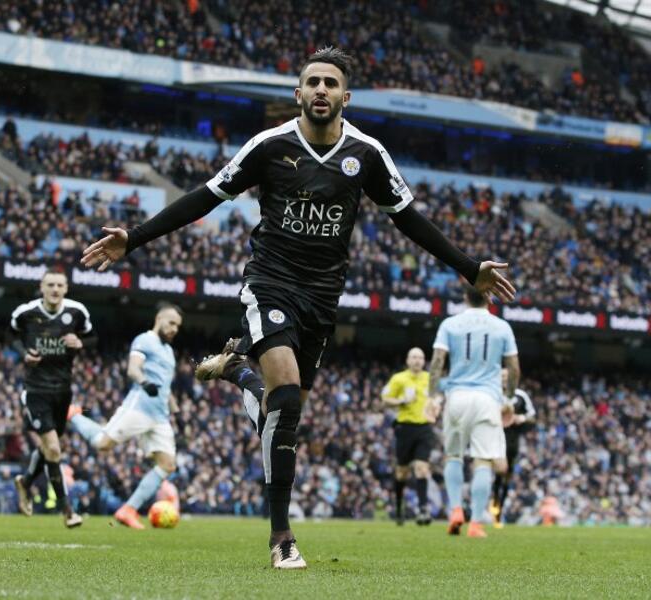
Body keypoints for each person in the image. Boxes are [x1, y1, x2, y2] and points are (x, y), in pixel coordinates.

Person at [80, 47, 515, 568]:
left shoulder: (368, 154)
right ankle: (281, 536)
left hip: (322, 298)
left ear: (345, 96)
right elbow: (206, 196)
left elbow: (409, 219)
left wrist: (470, 268)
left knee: (283, 412)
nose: (322, 90)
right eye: (313, 82)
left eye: (331, 83)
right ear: (299, 93)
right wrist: (135, 237)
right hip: (269, 284)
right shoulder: (269, 146)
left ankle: (241, 374)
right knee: (285, 398)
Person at [67, 304, 182, 530]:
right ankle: (74, 415)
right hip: (139, 406)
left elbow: (166, 387)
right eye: (171, 322)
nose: (174, 328)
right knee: (103, 444)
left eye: (177, 325)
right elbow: (133, 369)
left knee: (167, 465)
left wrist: (176, 411)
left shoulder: (169, 352)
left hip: (160, 416)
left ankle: (128, 510)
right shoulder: (144, 340)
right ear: (158, 318)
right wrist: (144, 382)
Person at [428, 287, 521, 538]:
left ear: (464, 297)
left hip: (456, 396)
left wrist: (432, 396)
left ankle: (456, 509)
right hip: (487, 398)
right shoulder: (502, 327)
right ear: (489, 298)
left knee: (453, 456)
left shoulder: (450, 323)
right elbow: (513, 367)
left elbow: (437, 362)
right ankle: (476, 523)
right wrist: (509, 399)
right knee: (483, 461)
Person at [10, 269, 95, 528]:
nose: (55, 289)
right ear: (42, 287)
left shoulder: (77, 312)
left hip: (63, 392)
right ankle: (67, 511)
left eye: (60, 285)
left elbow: (93, 338)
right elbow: (10, 336)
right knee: (54, 449)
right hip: (35, 390)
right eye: (50, 285)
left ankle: (25, 482)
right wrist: (24, 352)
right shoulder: (25, 313)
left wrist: (80, 343)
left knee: (50, 447)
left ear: (66, 288)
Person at [381, 348, 433, 526]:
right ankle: (398, 507)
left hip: (425, 427)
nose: (417, 360)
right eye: (414, 357)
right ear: (408, 360)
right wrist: (401, 400)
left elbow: (438, 397)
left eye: (420, 357)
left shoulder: (429, 378)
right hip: (405, 428)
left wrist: (437, 405)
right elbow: (385, 399)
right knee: (402, 472)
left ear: (424, 360)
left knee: (422, 468)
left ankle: (423, 509)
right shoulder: (399, 379)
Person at [490, 370, 535, 528]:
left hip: (511, 441)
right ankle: (491, 505)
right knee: (494, 472)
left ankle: (498, 510)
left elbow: (532, 416)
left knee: (506, 475)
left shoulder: (520, 396)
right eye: (501, 377)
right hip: (491, 438)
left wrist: (521, 418)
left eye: (507, 377)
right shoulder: (491, 394)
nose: (504, 380)